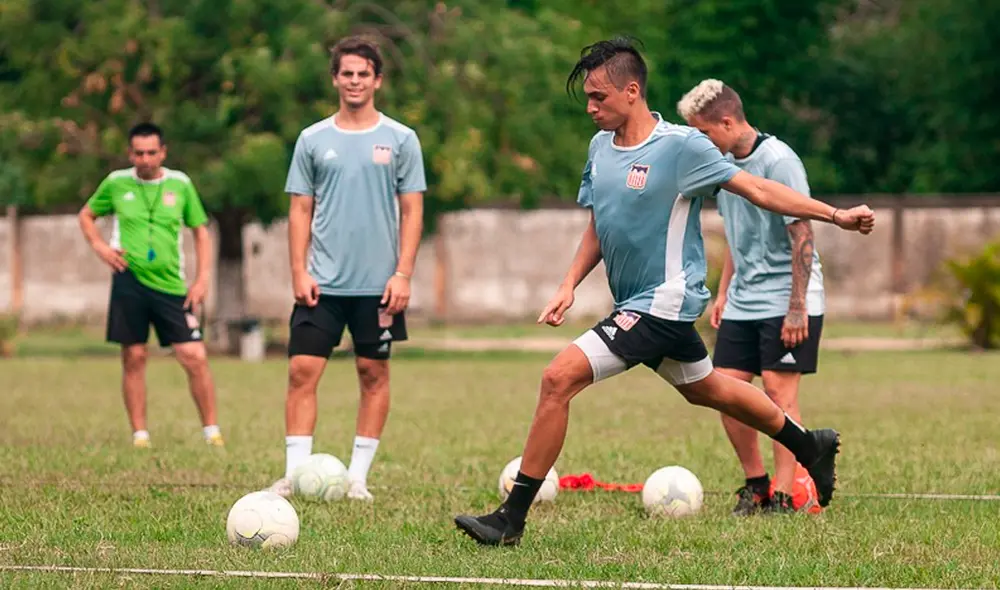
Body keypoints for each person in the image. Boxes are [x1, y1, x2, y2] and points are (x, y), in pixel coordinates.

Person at [453, 37, 874, 546]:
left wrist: (835, 215)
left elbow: (759, 190)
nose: (590, 108)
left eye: (599, 97)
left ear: (632, 91)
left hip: (665, 300)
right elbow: (600, 225)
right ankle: (810, 445)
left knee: (557, 378)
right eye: (587, 98)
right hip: (635, 302)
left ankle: (510, 520)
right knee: (708, 388)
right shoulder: (599, 148)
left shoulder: (682, 147)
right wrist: (568, 284)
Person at [268, 35, 426, 502]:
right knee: (301, 371)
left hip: (379, 287)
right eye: (347, 73)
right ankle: (294, 475)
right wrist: (299, 271)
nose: (354, 81)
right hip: (322, 283)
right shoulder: (312, 139)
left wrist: (403, 273)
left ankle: (357, 477)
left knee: (372, 374)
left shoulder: (401, 139)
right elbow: (300, 209)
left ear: (377, 80)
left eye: (363, 74)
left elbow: (412, 210)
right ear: (335, 79)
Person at [677, 79, 827, 515]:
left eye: (704, 133)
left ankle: (784, 493)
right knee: (724, 390)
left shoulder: (779, 161)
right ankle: (756, 483)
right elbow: (736, 235)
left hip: (787, 297)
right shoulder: (723, 166)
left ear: (727, 122)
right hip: (744, 298)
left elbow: (803, 233)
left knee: (779, 394)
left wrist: (797, 307)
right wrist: (724, 293)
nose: (701, 142)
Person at [78, 122, 224, 449]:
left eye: (151, 152)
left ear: (163, 153)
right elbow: (86, 215)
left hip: (171, 284)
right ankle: (140, 435)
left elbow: (201, 232)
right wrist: (101, 248)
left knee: (194, 355)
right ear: (130, 154)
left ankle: (211, 431)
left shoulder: (180, 184)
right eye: (139, 153)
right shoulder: (116, 183)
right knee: (134, 355)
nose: (145, 159)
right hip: (128, 281)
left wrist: (202, 279)